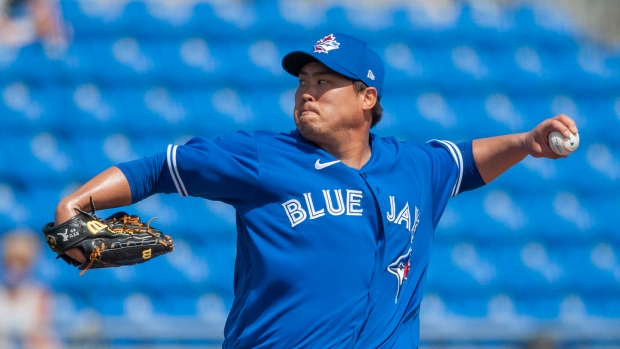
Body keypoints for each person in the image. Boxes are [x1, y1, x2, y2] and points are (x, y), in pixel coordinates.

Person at [51, 33, 578, 348]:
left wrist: (527, 142)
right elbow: (154, 170)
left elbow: (467, 159)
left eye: (325, 81)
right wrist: (74, 207)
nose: (307, 90)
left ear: (367, 97)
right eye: (303, 80)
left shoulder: (414, 167)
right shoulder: (260, 157)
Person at [0, 228, 59, 349]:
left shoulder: (41, 296)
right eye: (10, 261)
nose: (15, 268)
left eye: (22, 262)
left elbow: (41, 336)